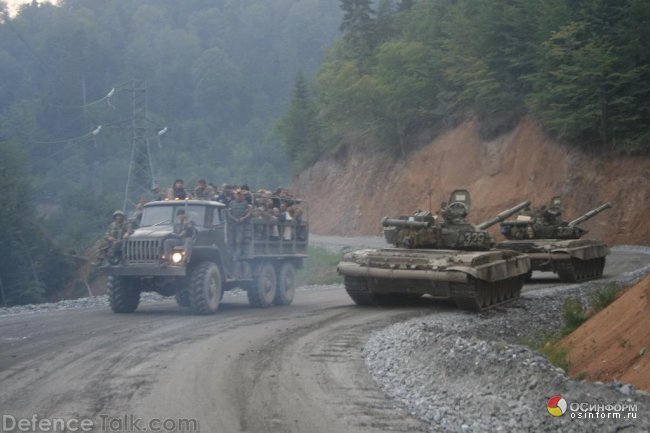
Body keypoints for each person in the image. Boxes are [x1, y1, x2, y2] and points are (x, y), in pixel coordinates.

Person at [227, 189, 252, 258]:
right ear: (235, 195)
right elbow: (228, 213)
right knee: (231, 241)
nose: (238, 196)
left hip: (240, 224)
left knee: (238, 241)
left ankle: (237, 255)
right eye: (237, 194)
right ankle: (230, 255)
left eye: (240, 194)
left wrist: (242, 218)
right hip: (232, 224)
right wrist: (234, 219)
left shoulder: (245, 203)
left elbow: (249, 213)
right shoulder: (231, 203)